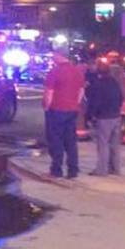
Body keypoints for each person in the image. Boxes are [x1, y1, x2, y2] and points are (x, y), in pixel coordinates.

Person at [43, 45, 86, 178]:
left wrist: (46, 106)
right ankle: (73, 170)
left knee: (56, 140)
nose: (52, 57)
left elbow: (49, 92)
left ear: (59, 55)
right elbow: (81, 91)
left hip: (57, 109)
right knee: (70, 141)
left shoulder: (55, 72)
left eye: (54, 55)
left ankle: (56, 169)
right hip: (72, 110)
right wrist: (75, 103)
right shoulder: (77, 71)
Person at [86, 58, 123, 176]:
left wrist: (90, 115)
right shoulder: (114, 82)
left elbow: (95, 102)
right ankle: (115, 168)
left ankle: (102, 170)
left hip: (104, 117)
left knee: (103, 144)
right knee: (115, 144)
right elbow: (121, 97)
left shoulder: (99, 84)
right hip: (116, 116)